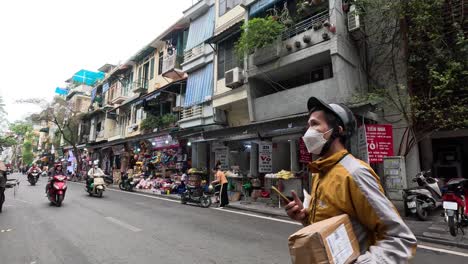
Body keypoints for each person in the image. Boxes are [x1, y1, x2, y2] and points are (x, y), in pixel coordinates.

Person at [285, 97, 417, 263]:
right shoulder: (319, 173)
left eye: (314, 124)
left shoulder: (355, 173)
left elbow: (400, 239)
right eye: (308, 126)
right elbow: (329, 229)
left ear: (338, 130)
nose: (307, 133)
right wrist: (304, 218)